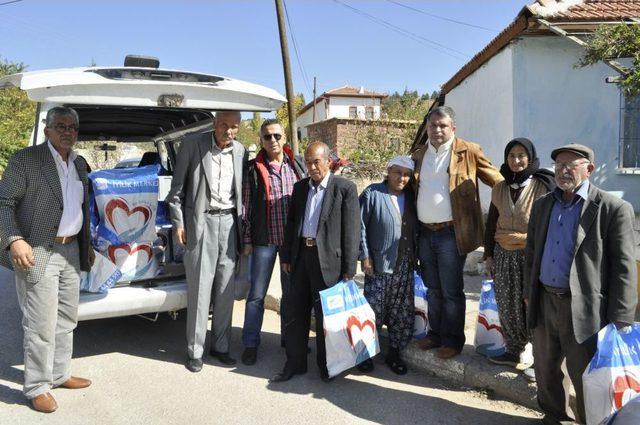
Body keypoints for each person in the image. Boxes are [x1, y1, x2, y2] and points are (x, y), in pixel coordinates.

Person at [524, 143, 637, 424]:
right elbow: (531, 254)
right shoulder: (543, 205)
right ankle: (553, 416)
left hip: (585, 308)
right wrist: (529, 293)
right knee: (546, 369)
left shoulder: (613, 209)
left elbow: (624, 268)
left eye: (571, 165)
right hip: (545, 301)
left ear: (589, 169)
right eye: (559, 164)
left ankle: (591, 421)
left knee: (586, 375)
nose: (563, 170)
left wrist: (621, 319)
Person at [0, 107, 94, 413]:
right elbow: (4, 203)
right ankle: (37, 386)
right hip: (38, 250)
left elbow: (81, 208)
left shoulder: (79, 163)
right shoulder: (25, 160)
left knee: (67, 318)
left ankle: (59, 373)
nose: (68, 132)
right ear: (47, 130)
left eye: (73, 128)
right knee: (40, 323)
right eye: (61, 126)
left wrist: (86, 244)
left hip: (70, 251)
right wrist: (15, 239)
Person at [412, 106, 502, 359]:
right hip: (425, 233)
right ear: (427, 128)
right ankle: (435, 334)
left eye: (443, 125)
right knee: (432, 288)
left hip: (452, 233)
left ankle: (452, 340)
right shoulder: (419, 154)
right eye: (433, 125)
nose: (437, 130)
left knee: (451, 290)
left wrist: (519, 192)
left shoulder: (468, 151)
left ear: (453, 128)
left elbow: (497, 180)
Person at [270, 142, 360, 383]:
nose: (311, 167)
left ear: (328, 161)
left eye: (316, 162)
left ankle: (326, 365)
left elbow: (352, 231)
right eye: (308, 162)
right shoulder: (300, 189)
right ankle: (295, 363)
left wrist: (350, 268)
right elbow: (291, 226)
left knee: (325, 318)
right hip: (301, 259)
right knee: (295, 312)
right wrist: (287, 256)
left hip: (329, 262)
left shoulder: (345, 188)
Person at [167, 110, 248, 372]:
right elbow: (176, 191)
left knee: (225, 290)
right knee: (200, 290)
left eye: (234, 126)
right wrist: (179, 223)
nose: (229, 131)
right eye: (224, 125)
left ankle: (221, 346)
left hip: (230, 225)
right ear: (214, 123)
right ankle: (195, 351)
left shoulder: (240, 151)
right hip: (201, 224)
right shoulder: (193, 144)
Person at [483, 138, 554, 380]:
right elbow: (491, 222)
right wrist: (489, 255)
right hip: (503, 253)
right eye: (511, 155)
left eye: (521, 155)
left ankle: (539, 361)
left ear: (531, 157)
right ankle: (513, 351)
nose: (516, 160)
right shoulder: (500, 187)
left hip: (531, 254)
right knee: (507, 302)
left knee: (532, 305)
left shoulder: (544, 186)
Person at [240, 119, 306, 365]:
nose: (273, 141)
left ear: (285, 138)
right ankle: (250, 343)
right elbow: (246, 207)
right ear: (261, 140)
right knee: (257, 295)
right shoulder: (253, 168)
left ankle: (290, 340)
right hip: (264, 241)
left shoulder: (297, 165)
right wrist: (247, 239)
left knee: (291, 295)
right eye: (267, 137)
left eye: (277, 136)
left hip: (292, 243)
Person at [358, 155, 417, 375]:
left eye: (406, 174)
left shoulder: (411, 197)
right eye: (397, 172)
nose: (402, 178)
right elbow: (360, 226)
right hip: (378, 264)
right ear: (389, 171)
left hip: (404, 265)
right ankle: (364, 354)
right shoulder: (373, 193)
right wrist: (365, 255)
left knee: (400, 311)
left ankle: (394, 353)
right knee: (373, 310)